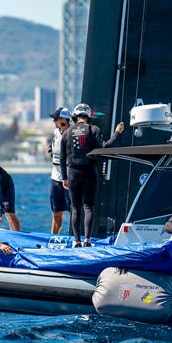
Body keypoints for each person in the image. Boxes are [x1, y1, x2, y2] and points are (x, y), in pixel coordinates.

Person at [60, 103, 125, 246]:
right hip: (89, 171)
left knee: (75, 208)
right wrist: (117, 133)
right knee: (88, 207)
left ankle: (77, 241)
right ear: (88, 116)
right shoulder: (94, 129)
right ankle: (87, 240)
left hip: (73, 173)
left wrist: (64, 177)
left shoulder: (66, 132)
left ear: (75, 116)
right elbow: (105, 147)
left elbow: (62, 158)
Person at [48, 107, 72, 234]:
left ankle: (76, 238)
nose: (54, 121)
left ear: (63, 119)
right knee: (56, 212)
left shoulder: (72, 133)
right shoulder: (56, 132)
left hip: (68, 178)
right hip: (55, 177)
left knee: (72, 209)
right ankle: (53, 237)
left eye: (56, 119)